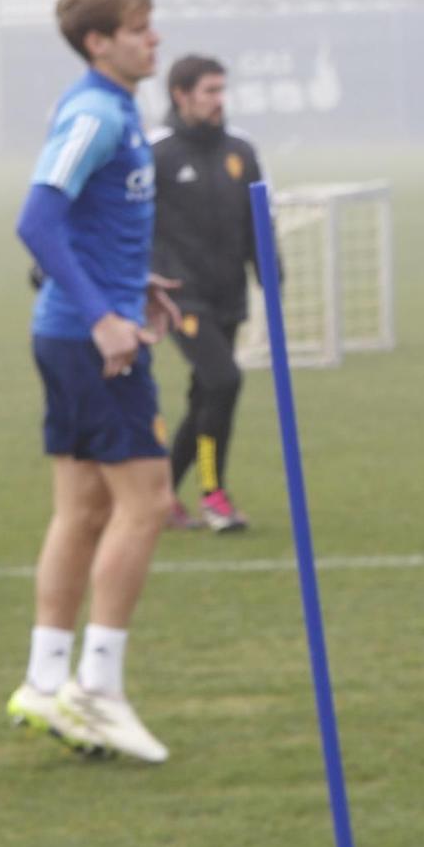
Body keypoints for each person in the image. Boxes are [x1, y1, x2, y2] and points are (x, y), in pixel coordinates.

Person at [5, 0, 181, 764]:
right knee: (148, 502)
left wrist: (129, 285)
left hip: (76, 331)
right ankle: (99, 690)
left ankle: (45, 682)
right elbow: (37, 219)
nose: (155, 40)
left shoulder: (115, 112)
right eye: (140, 29)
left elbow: (82, 223)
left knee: (81, 508)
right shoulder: (93, 112)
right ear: (98, 42)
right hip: (89, 343)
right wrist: (106, 316)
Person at [151, 54, 267, 532]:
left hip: (228, 294)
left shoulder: (241, 150)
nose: (220, 101)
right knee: (224, 381)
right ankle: (213, 494)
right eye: (210, 91)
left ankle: (160, 498)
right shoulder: (156, 152)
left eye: (222, 90)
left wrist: (270, 273)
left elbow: (259, 218)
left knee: (205, 396)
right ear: (181, 94)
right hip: (182, 297)